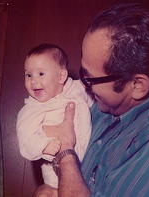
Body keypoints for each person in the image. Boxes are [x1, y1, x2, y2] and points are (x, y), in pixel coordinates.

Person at [34, 2, 149, 197]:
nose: (83, 84)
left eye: (90, 77)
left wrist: (66, 152)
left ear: (137, 85)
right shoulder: (104, 106)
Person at [16, 43, 92, 188]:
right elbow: (25, 141)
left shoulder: (76, 88)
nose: (33, 81)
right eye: (28, 75)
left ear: (61, 76)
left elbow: (94, 98)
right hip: (57, 176)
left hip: (89, 164)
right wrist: (43, 146)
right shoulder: (32, 109)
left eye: (41, 74)